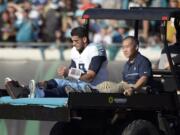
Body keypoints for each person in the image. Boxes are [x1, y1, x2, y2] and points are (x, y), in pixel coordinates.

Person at [4, 36, 152, 99]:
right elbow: (75, 72)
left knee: (68, 85)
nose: (124, 50)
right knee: (60, 82)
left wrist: (133, 89)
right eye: (123, 47)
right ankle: (26, 88)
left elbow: (90, 76)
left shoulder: (142, 61)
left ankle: (35, 93)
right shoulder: (127, 64)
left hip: (98, 86)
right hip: (95, 85)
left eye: (127, 47)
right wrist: (67, 72)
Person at [4, 26, 108, 98]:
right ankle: (24, 89)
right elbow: (72, 70)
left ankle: (37, 94)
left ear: (84, 39)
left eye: (76, 41)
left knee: (66, 88)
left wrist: (69, 72)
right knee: (55, 82)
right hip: (80, 85)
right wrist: (65, 72)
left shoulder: (95, 49)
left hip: (94, 88)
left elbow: (90, 76)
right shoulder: (75, 51)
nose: (73, 44)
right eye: (72, 41)